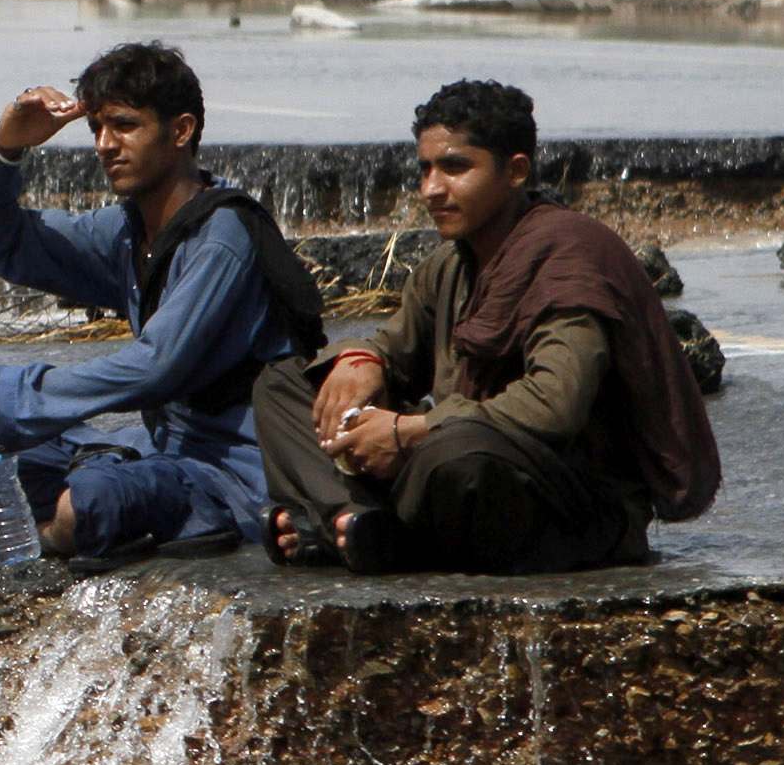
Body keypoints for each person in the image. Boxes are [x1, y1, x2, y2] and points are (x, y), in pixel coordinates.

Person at [255, 79, 719, 574]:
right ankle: (356, 523)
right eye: (425, 169)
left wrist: (409, 431)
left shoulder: (568, 256)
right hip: (451, 472)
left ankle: (346, 527)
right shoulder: (451, 263)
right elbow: (392, 347)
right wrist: (359, 360)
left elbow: (553, 404)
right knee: (281, 385)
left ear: (515, 171)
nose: (432, 189)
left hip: (568, 502)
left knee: (456, 454)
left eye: (455, 167)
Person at [0, 42, 330, 570]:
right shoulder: (126, 231)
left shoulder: (222, 237)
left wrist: (13, 388)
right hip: (154, 449)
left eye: (124, 126)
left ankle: (61, 525)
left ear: (180, 131)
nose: (105, 144)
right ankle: (70, 518)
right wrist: (6, 146)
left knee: (97, 494)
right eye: (97, 128)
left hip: (231, 476)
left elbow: (156, 367)